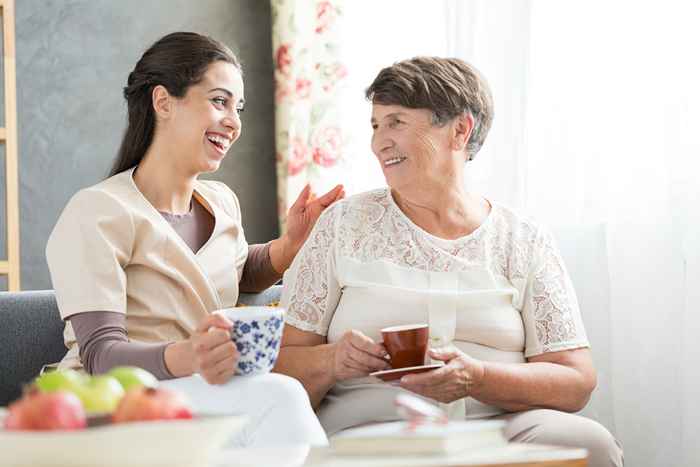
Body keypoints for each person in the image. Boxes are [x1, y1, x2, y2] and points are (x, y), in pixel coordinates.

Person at [274, 57, 623, 466]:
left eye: (396, 122)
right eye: (375, 125)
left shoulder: (523, 238)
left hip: (498, 426)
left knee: (590, 444)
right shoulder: (343, 223)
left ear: (460, 130)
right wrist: (332, 361)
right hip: (372, 427)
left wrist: (475, 378)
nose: (378, 142)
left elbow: (575, 380)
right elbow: (280, 365)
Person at [45, 32, 340, 447]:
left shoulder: (221, 202)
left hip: (204, 392)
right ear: (163, 102)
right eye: (219, 101)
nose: (234, 121)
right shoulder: (97, 212)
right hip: (119, 402)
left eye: (238, 108)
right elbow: (100, 355)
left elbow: (231, 272)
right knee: (281, 394)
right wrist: (188, 356)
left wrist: (286, 248)